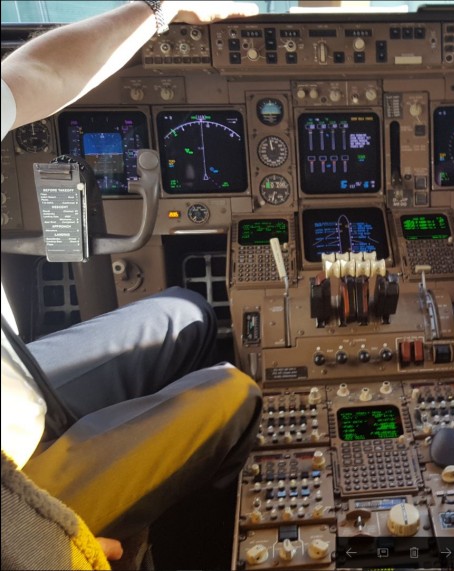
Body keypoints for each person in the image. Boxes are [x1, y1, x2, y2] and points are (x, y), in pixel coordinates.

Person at [0, 1, 260, 565]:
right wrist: (47, 546)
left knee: (186, 314)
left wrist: (159, 8)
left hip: (14, 388)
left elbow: (36, 72)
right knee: (236, 394)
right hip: (13, 500)